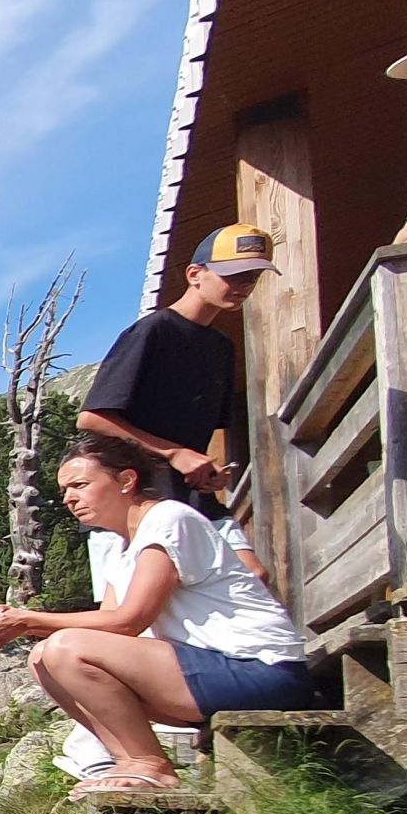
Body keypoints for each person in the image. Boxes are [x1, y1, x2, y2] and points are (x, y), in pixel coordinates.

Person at [0, 433, 312, 798]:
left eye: (80, 485)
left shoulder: (169, 519)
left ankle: (149, 764)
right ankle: (128, 761)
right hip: (210, 672)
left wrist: (31, 620)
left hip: (260, 669)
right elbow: (107, 628)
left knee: (64, 648)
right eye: (64, 491)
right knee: (43, 658)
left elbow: (129, 621)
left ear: (126, 480)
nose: (69, 498)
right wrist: (25, 627)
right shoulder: (122, 548)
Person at [78, 224, 275, 578]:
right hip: (133, 500)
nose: (244, 285)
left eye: (252, 276)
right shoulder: (153, 331)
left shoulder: (222, 348)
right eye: (233, 274)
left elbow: (200, 438)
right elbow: (92, 419)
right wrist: (173, 454)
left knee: (253, 577)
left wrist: (209, 472)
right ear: (195, 274)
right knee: (141, 605)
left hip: (193, 498)